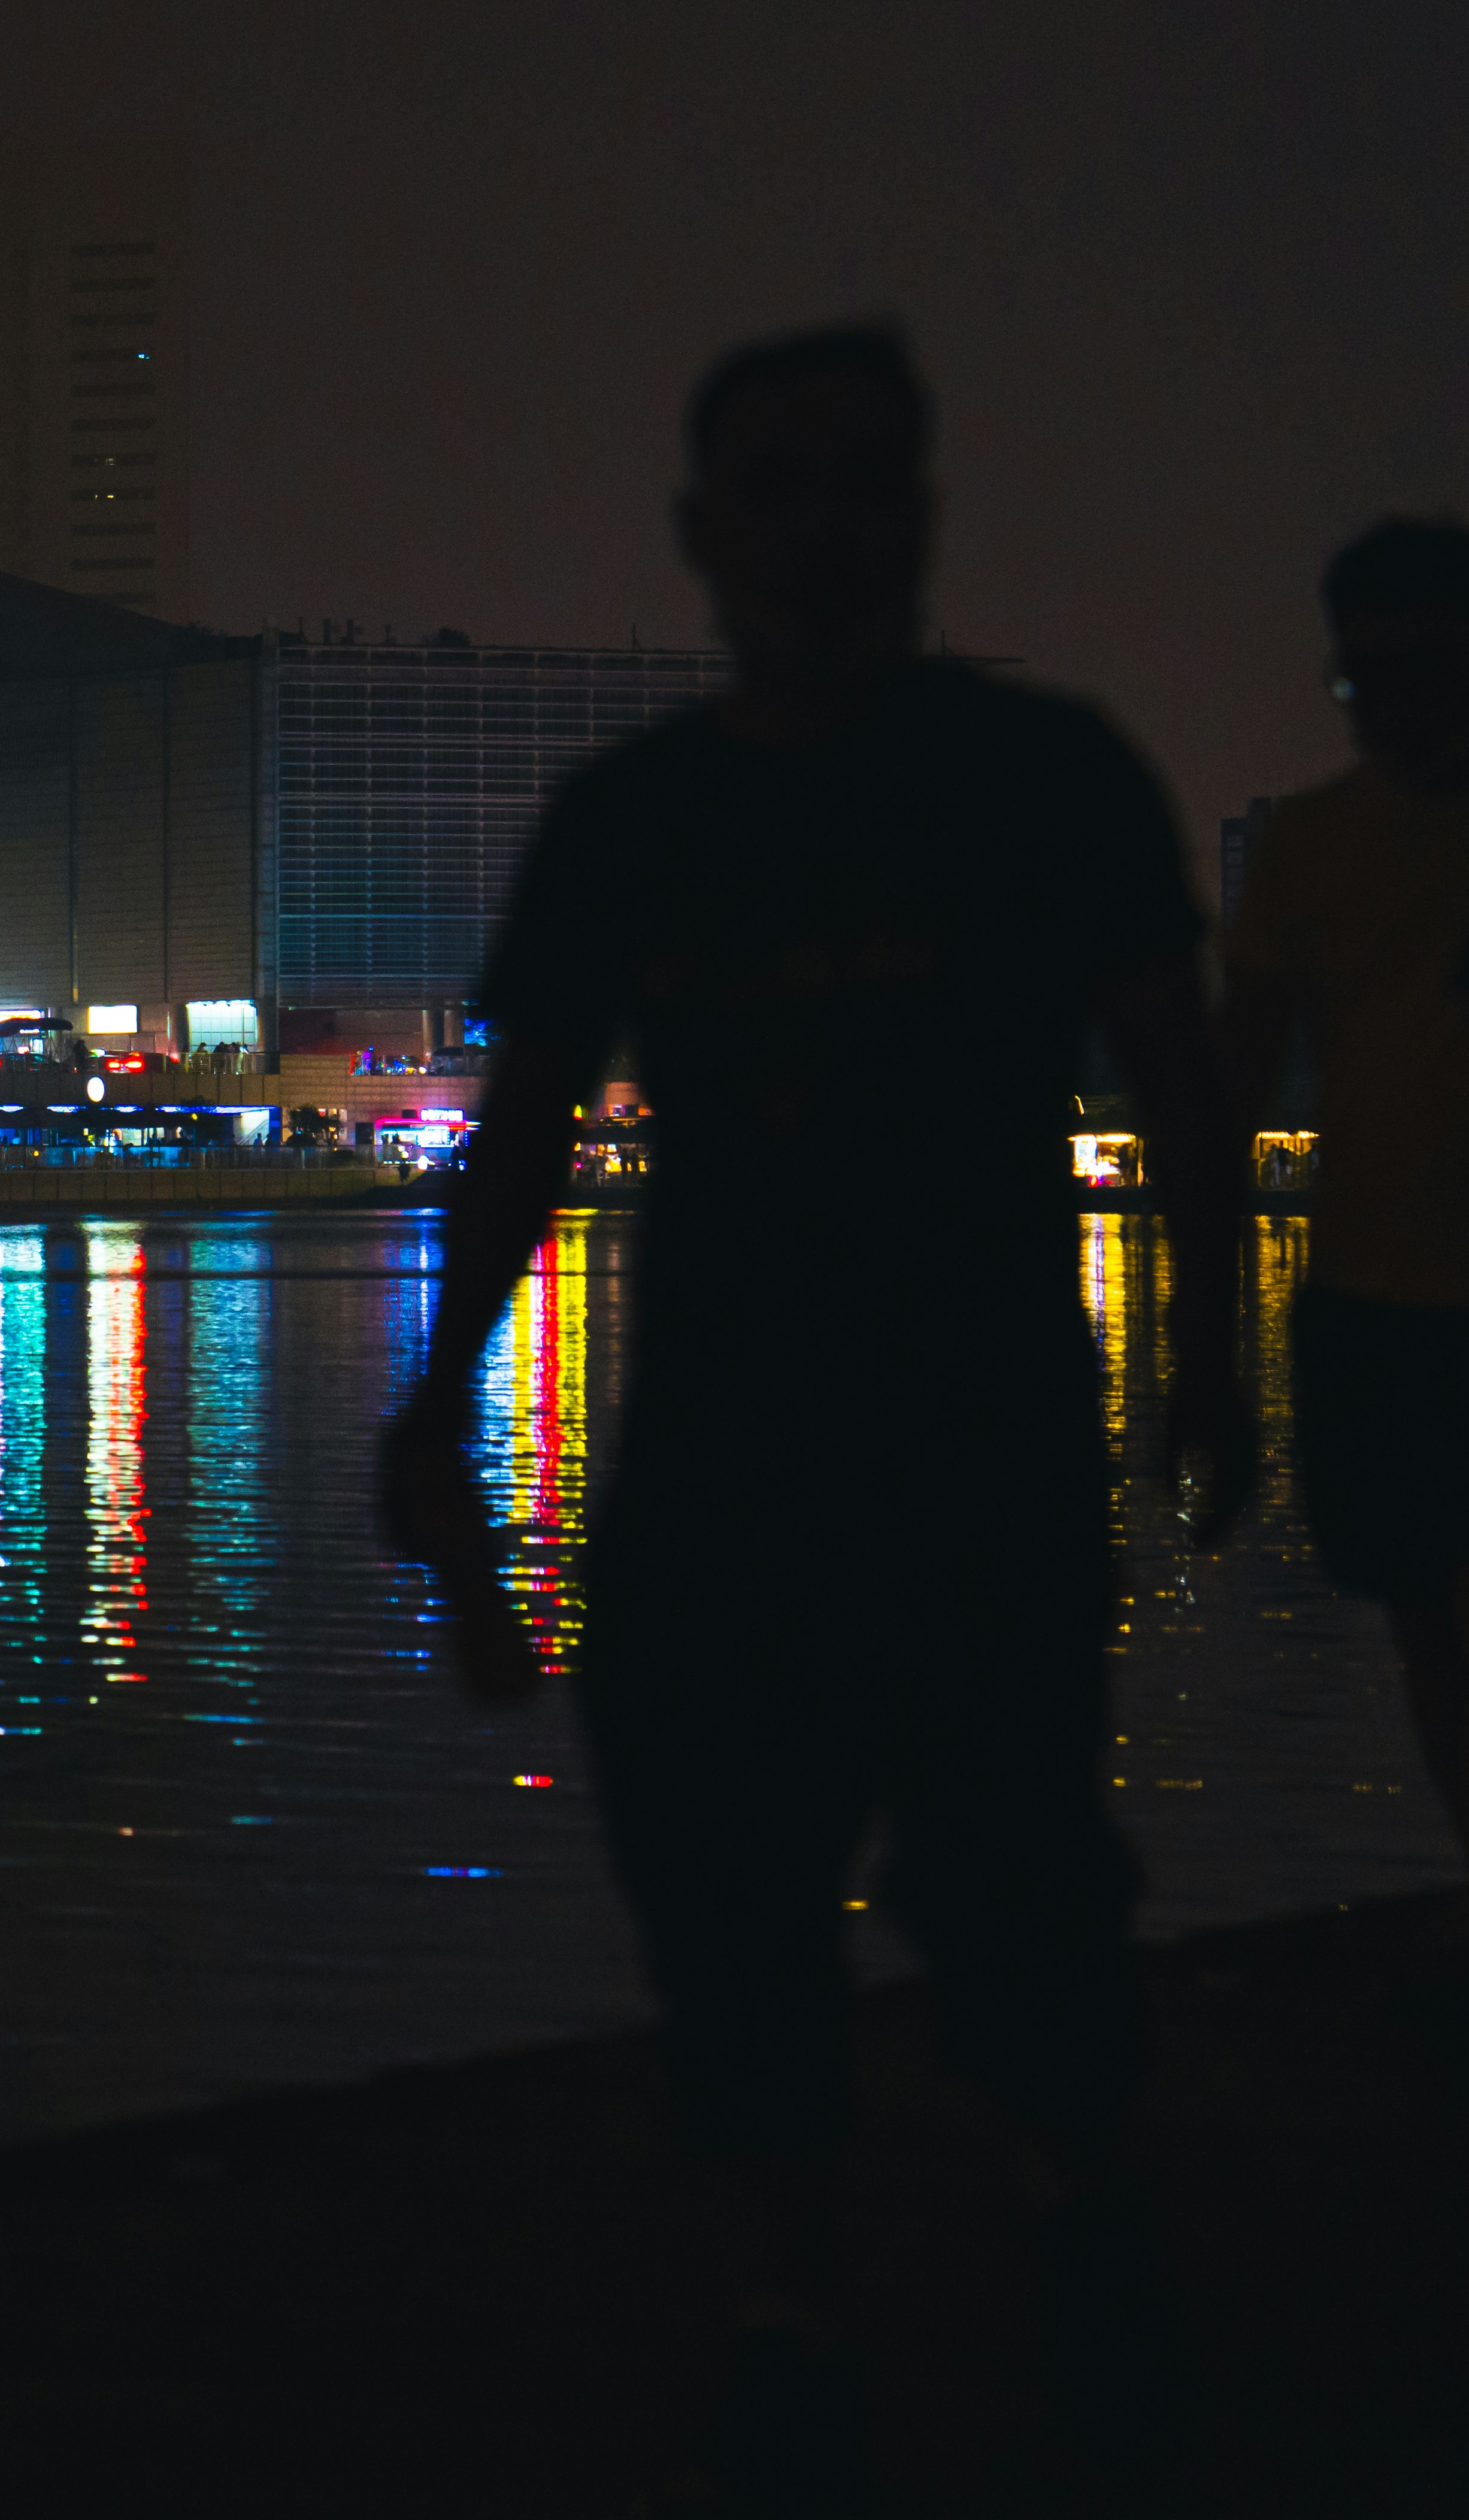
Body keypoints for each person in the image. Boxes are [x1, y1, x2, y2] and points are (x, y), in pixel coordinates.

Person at [378, 324, 1249, 2494]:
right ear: (705, 533)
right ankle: (801, 2295)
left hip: (980, 1448)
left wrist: (1218, 1356)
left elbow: (1182, 1084)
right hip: (722, 1463)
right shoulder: (639, 820)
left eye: (863, 480)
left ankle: (1054, 2215)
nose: (826, 529)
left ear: (921, 514)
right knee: (725, 1898)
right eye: (780, 487)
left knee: (1019, 1879)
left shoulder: (1045, 779)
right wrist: (438, 1394)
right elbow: (521, 1133)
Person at [1218, 516, 1469, 2003]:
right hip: (1374, 1297)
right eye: (1363, 681)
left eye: (1420, 672)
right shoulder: (1313, 847)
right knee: (1424, 1614)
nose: (1389, 706)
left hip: (1387, 1295)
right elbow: (1238, 1073)